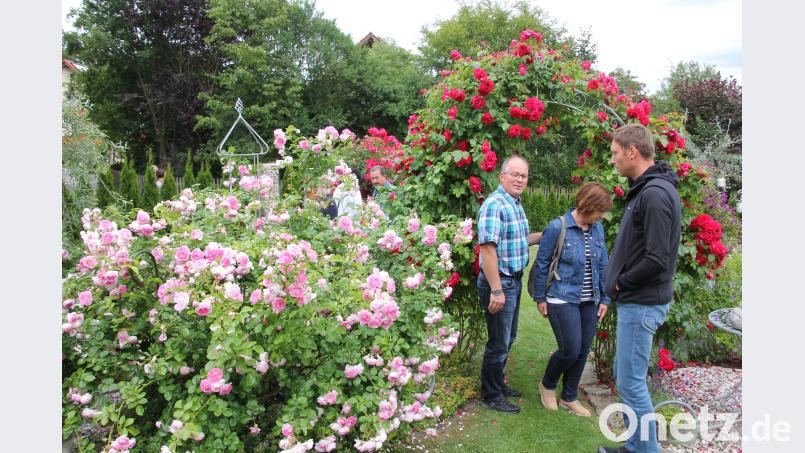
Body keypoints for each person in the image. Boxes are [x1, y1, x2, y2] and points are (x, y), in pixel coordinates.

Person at [598, 124, 682, 453]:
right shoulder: (646, 190)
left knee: (631, 385)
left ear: (633, 151)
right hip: (637, 302)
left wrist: (620, 282)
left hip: (642, 303)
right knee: (626, 377)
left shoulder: (655, 194)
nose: (613, 161)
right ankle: (635, 447)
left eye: (615, 154)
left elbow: (658, 259)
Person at [531, 182, 612, 417]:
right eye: (599, 211)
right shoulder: (558, 227)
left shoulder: (597, 230)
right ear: (588, 205)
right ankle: (547, 384)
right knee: (570, 349)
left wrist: (605, 298)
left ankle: (569, 397)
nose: (600, 217)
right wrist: (540, 297)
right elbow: (543, 263)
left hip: (590, 300)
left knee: (583, 349)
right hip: (561, 297)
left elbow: (603, 264)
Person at [477, 155, 542, 414]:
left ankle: (497, 384)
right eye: (514, 174)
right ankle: (491, 395)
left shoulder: (514, 203)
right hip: (500, 282)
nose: (519, 179)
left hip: (511, 281)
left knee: (508, 337)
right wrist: (496, 289)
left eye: (523, 175)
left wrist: (543, 235)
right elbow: (488, 250)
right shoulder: (495, 204)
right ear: (501, 176)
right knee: (498, 342)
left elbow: (516, 241)